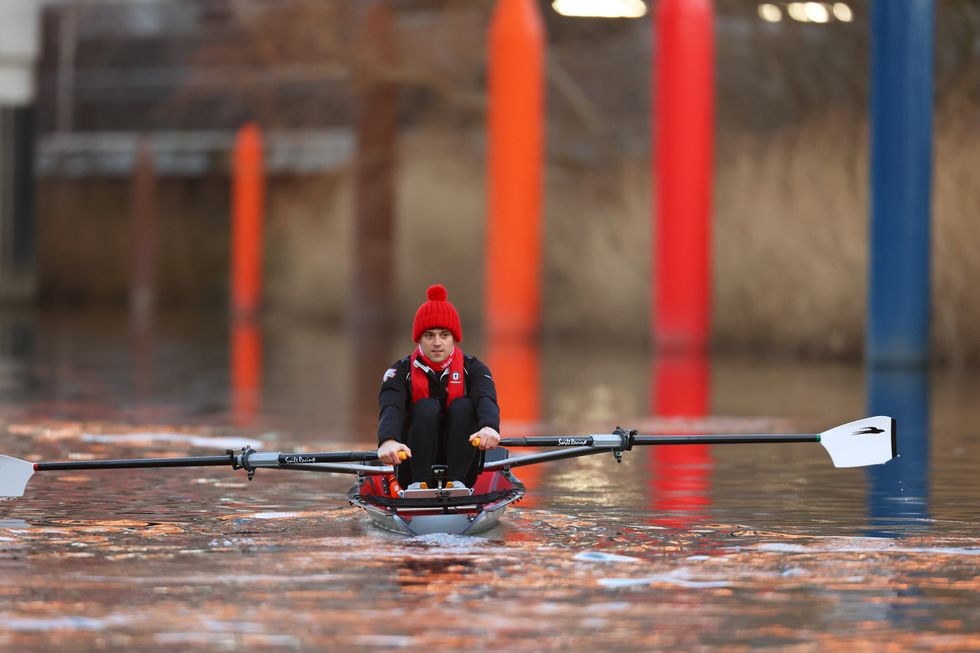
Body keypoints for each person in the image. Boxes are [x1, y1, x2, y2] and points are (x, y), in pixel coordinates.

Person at [376, 284, 501, 491]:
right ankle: (419, 484)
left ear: (454, 338)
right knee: (426, 407)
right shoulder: (399, 372)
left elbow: (485, 399)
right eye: (429, 335)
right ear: (419, 338)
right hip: (410, 464)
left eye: (444, 335)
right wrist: (387, 439)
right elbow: (391, 407)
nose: (437, 343)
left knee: (464, 406)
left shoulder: (475, 368)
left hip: (464, 466)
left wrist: (490, 426)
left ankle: (457, 483)